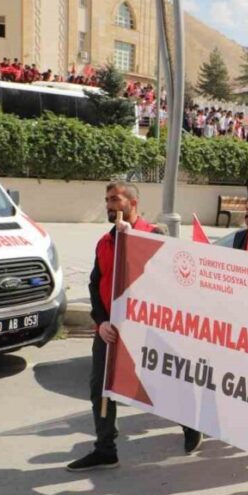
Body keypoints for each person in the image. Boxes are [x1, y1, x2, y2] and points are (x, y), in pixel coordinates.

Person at [68, 182, 201, 471]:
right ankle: (105, 449)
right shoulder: (105, 241)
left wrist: (135, 242)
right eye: (107, 200)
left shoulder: (154, 234)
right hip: (110, 329)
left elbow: (165, 280)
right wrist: (101, 321)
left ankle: (190, 424)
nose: (109, 205)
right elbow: (95, 284)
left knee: (161, 384)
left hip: (146, 328)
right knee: (100, 388)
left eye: (115, 199)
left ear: (133, 203)